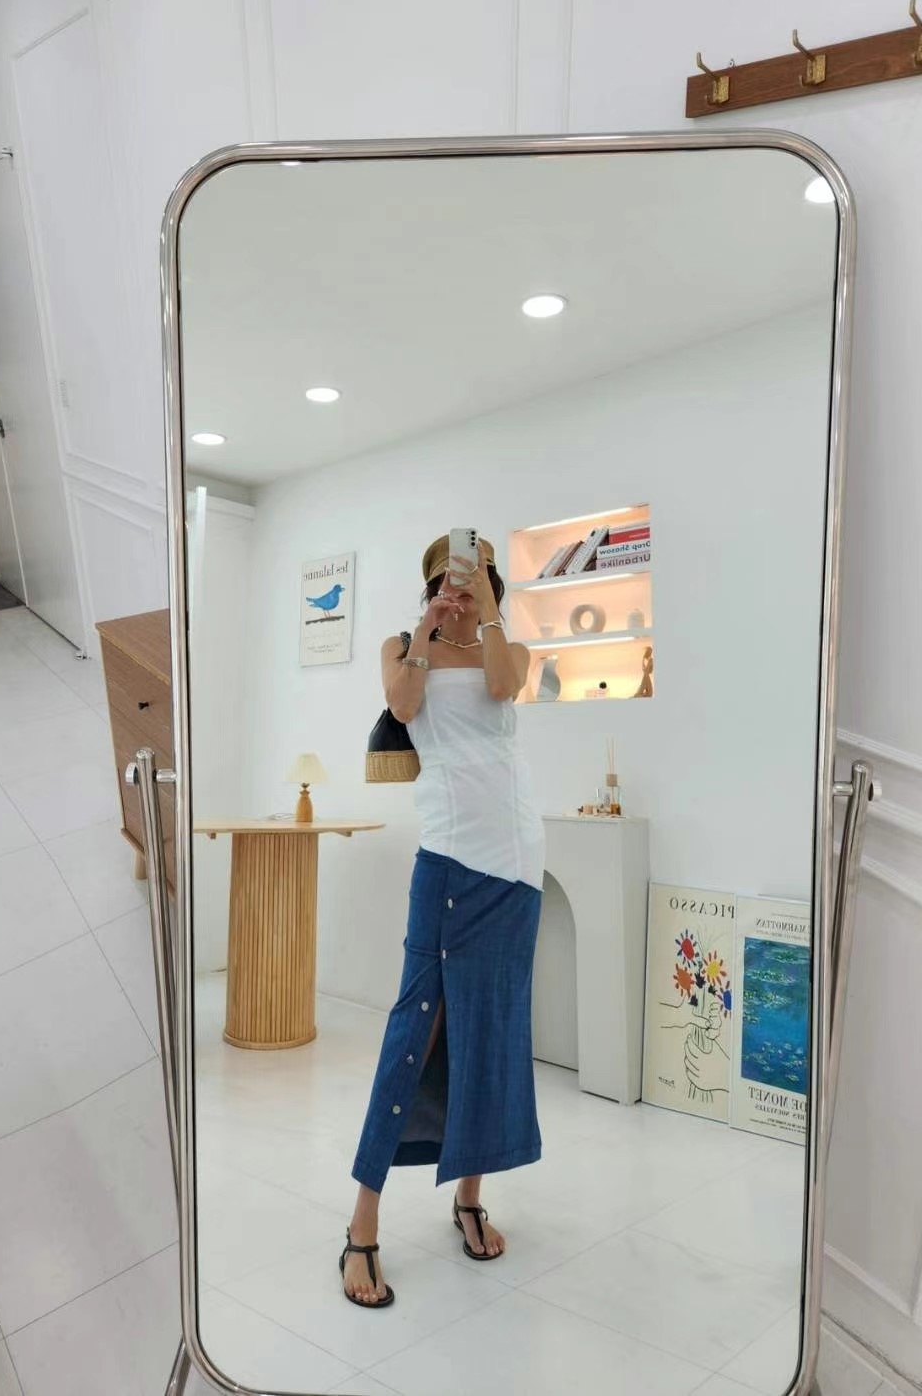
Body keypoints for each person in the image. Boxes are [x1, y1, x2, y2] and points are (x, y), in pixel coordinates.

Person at [341, 536, 545, 1308]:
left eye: (474, 578)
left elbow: (502, 683)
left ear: (492, 584)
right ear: (428, 586)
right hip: (452, 860)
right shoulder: (404, 646)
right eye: (445, 581)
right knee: (416, 1028)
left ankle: (468, 1195)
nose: (458, 588)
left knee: (491, 1029)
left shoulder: (508, 648)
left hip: (518, 864)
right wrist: (430, 624)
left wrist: (485, 611)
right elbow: (402, 704)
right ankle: (362, 1224)